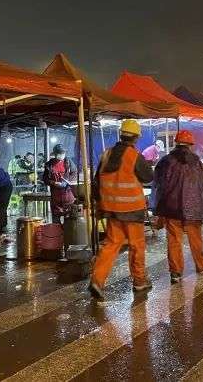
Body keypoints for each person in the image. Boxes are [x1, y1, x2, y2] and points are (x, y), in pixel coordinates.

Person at [89, 119, 154, 298]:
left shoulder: (107, 154)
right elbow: (148, 177)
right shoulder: (134, 156)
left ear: (121, 135)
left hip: (112, 210)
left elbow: (96, 182)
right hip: (132, 210)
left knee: (111, 244)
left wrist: (99, 205)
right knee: (136, 246)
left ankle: (97, 280)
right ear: (136, 137)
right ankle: (139, 281)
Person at [152, 130, 203, 284]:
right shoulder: (196, 162)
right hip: (193, 209)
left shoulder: (165, 161)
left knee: (174, 240)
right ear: (190, 144)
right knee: (196, 238)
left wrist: (159, 210)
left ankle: (176, 273)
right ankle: (201, 265)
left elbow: (158, 185)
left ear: (176, 143)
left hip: (171, 209)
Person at [43, 144, 77, 224]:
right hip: (56, 198)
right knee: (56, 222)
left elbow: (74, 173)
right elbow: (45, 179)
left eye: (63, 153)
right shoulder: (49, 165)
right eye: (59, 153)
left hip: (68, 196)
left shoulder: (68, 162)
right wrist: (53, 182)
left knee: (69, 222)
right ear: (55, 154)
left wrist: (66, 182)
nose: (61, 155)